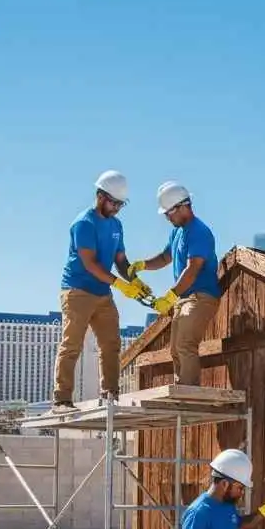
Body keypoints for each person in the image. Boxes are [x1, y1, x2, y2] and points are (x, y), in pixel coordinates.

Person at [53, 171, 149, 410]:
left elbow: (121, 259)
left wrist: (134, 280)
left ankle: (110, 395)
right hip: (77, 291)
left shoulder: (116, 225)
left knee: (111, 343)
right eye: (113, 202)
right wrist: (118, 284)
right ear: (99, 195)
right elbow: (90, 263)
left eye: (120, 204)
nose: (116, 208)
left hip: (103, 292)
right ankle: (62, 399)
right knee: (72, 344)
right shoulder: (83, 223)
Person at [128, 182, 221, 385]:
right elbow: (164, 257)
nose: (167, 217)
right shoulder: (178, 232)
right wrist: (142, 265)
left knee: (185, 344)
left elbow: (193, 268)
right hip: (184, 298)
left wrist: (170, 296)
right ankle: (183, 390)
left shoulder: (199, 231)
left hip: (201, 297)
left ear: (182, 207)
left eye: (168, 213)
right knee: (175, 349)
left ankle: (188, 393)